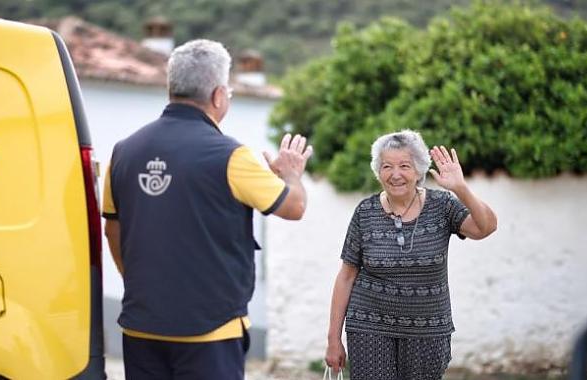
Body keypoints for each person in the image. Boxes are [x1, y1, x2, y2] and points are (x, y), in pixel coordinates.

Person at [102, 39, 313, 380]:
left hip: (142, 327)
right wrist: (291, 175)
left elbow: (113, 230)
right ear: (218, 95)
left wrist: (144, 284)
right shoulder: (231, 156)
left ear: (172, 88)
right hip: (210, 332)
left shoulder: (123, 152)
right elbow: (294, 206)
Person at [325, 130, 497, 380]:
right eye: (387, 166)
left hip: (428, 330)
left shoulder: (442, 205)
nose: (395, 174)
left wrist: (461, 189)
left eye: (404, 165)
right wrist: (333, 339)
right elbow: (346, 277)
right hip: (370, 325)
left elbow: (486, 227)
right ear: (378, 171)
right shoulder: (365, 212)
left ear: (418, 170)